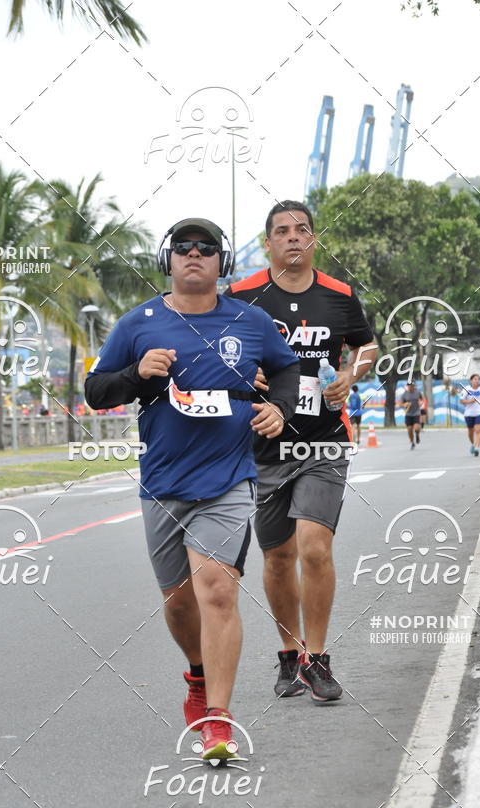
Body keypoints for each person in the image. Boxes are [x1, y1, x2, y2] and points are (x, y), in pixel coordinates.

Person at [85, 217, 299, 759]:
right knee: (181, 606)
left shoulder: (250, 321)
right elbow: (95, 391)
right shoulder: (140, 324)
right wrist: (137, 373)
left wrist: (279, 408)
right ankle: (198, 677)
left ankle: (219, 721)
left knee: (218, 591)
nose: (195, 254)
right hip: (163, 484)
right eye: (184, 247)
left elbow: (289, 372)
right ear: (169, 260)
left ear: (222, 262)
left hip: (228, 478)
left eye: (207, 248)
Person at [225, 200, 376, 703]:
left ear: (313, 240)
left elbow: (367, 346)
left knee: (314, 546)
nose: (293, 237)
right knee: (277, 555)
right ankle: (289, 653)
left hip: (323, 439)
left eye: (302, 230)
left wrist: (352, 374)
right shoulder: (242, 295)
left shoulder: (339, 295)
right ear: (267, 242)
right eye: (282, 231)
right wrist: (243, 373)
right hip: (263, 443)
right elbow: (211, 350)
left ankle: (317, 658)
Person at [460, 373, 480, 456]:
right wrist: (470, 401)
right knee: (470, 432)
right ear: (471, 380)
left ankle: (476, 448)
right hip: (469, 414)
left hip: (479, 413)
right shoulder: (466, 389)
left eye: (478, 379)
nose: (476, 381)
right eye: (475, 379)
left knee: (478, 431)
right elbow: (461, 401)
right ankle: (473, 444)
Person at [400, 380, 422, 449]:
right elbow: (400, 404)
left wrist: (421, 403)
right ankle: (412, 442)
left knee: (416, 428)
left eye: (412, 386)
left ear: (414, 386)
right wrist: (405, 404)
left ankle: (417, 434)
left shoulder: (417, 393)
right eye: (409, 386)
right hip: (408, 414)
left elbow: (422, 399)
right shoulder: (404, 394)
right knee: (409, 429)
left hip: (416, 413)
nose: (410, 387)